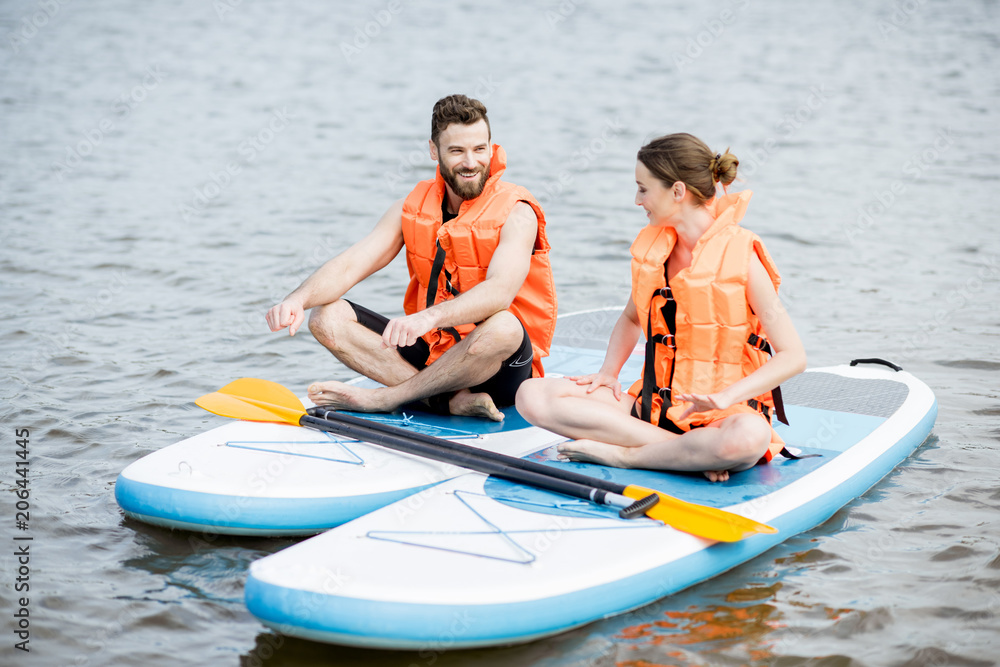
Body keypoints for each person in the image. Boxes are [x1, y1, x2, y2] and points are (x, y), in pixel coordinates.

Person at [515, 133, 806, 481]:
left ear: (678, 192)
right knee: (532, 395)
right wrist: (608, 373)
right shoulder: (655, 251)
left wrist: (726, 398)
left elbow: (793, 355)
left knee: (748, 439)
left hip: (726, 416)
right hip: (654, 407)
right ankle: (685, 454)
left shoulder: (743, 258)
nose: (637, 200)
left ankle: (625, 456)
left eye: (643, 189)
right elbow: (631, 317)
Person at [266, 95, 557, 422]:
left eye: (479, 149)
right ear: (434, 151)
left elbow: (500, 292)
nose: (471, 162)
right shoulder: (411, 207)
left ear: (491, 147)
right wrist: (297, 299)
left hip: (497, 364)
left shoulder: (518, 213)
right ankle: (447, 401)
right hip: (434, 354)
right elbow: (353, 263)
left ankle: (388, 398)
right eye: (457, 151)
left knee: (503, 326)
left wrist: (427, 318)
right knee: (325, 317)